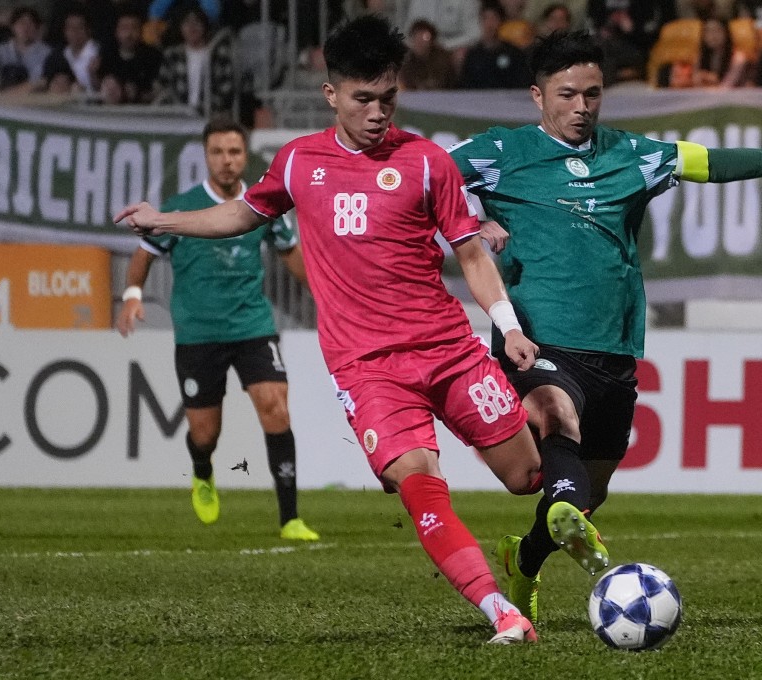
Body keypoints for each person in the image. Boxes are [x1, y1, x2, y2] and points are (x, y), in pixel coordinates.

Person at [117, 15, 551, 645]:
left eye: (388, 99)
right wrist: (168, 219)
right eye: (362, 99)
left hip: (450, 351)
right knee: (419, 482)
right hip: (367, 367)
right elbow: (243, 212)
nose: (377, 113)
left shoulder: (428, 163)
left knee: (526, 479)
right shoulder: (298, 163)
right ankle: (501, 613)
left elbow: (472, 254)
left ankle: (531, 545)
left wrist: (506, 327)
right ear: (332, 96)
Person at [448, 29, 762, 625]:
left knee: (594, 488)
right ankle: (562, 508)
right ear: (537, 95)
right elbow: (423, 180)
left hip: (612, 344)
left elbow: (708, 161)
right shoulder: (497, 152)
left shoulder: (631, 155)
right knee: (553, 415)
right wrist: (472, 218)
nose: (582, 107)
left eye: (593, 94)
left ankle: (527, 556)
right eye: (567, 94)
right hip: (533, 335)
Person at [116, 116, 320, 543]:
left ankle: (290, 519)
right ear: (206, 156)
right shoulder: (184, 206)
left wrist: (330, 296)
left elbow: (291, 256)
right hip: (199, 333)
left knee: (275, 408)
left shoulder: (263, 204)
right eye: (218, 152)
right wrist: (133, 293)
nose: (227, 161)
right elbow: (144, 253)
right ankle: (203, 471)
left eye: (234, 152)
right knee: (205, 434)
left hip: (253, 325)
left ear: (245, 156)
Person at [97, 9, 164, 104]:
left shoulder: (153, 56)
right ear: (116, 31)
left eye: (134, 28)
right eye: (124, 28)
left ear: (141, 31)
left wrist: (137, 95)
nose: (129, 34)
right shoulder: (107, 54)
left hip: (143, 113)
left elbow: (159, 92)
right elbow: (99, 89)